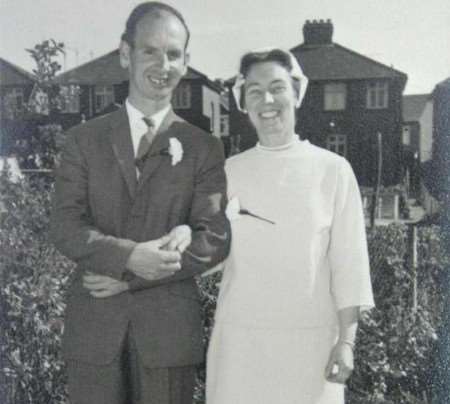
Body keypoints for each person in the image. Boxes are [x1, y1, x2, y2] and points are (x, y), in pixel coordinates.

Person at [50, 3, 230, 404]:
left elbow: (213, 237)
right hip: (95, 335)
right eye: (150, 50)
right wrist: (129, 255)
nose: (162, 64)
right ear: (125, 53)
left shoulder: (203, 146)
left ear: (186, 62)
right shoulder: (84, 140)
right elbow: (65, 225)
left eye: (173, 53)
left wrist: (131, 275)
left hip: (167, 339)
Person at [206, 48, 374, 404]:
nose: (267, 100)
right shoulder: (227, 172)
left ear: (296, 94)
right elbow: (206, 252)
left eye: (277, 87)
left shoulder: (333, 170)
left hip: (311, 346)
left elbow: (350, 266)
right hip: (241, 345)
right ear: (243, 103)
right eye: (254, 91)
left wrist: (346, 343)